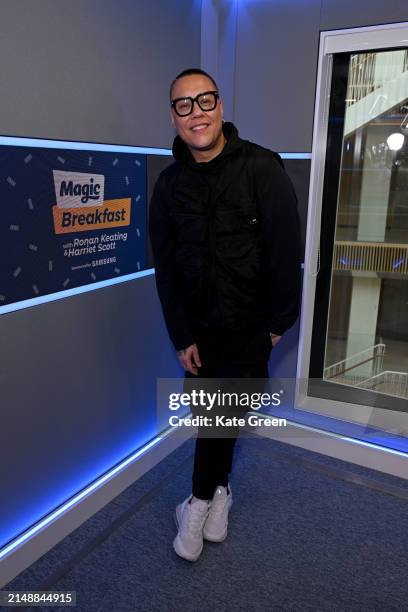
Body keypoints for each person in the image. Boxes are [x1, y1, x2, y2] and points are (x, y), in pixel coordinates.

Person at [149, 68, 302, 562]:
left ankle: (195, 502)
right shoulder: (168, 188)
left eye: (205, 100)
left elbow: (286, 254)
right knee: (214, 418)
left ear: (221, 104)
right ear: (173, 118)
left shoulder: (263, 169)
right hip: (198, 335)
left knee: (220, 419)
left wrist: (278, 325)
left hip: (251, 330)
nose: (197, 113)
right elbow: (167, 271)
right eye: (184, 105)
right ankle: (221, 495)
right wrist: (181, 335)